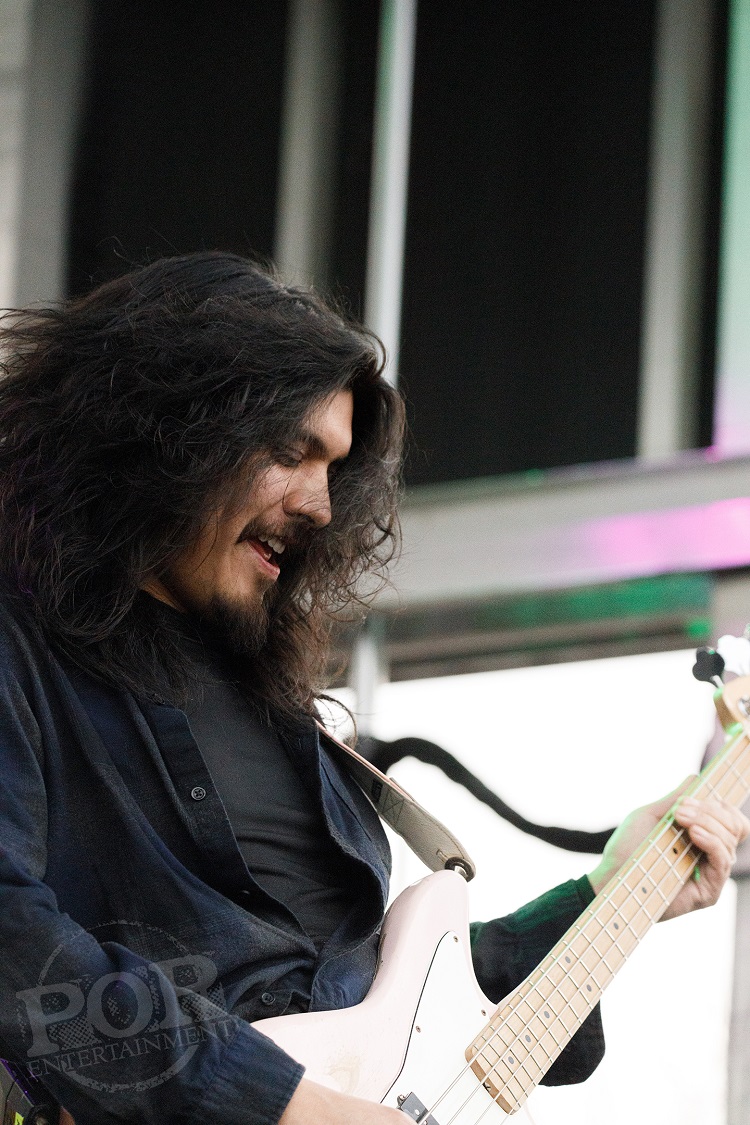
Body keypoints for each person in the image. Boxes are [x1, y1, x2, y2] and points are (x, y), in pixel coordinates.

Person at [0, 252, 745, 1125]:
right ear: (168, 433)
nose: (321, 505)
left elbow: (401, 1015)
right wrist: (285, 1103)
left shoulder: (276, 710)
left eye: (334, 469)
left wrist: (611, 893)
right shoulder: (24, 649)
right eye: (291, 452)